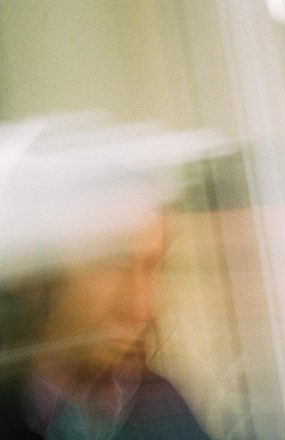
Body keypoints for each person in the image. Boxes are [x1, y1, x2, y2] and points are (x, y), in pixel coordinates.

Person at [0, 121, 211, 439]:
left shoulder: (163, 408)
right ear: (33, 267)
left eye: (151, 267)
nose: (140, 308)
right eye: (113, 262)